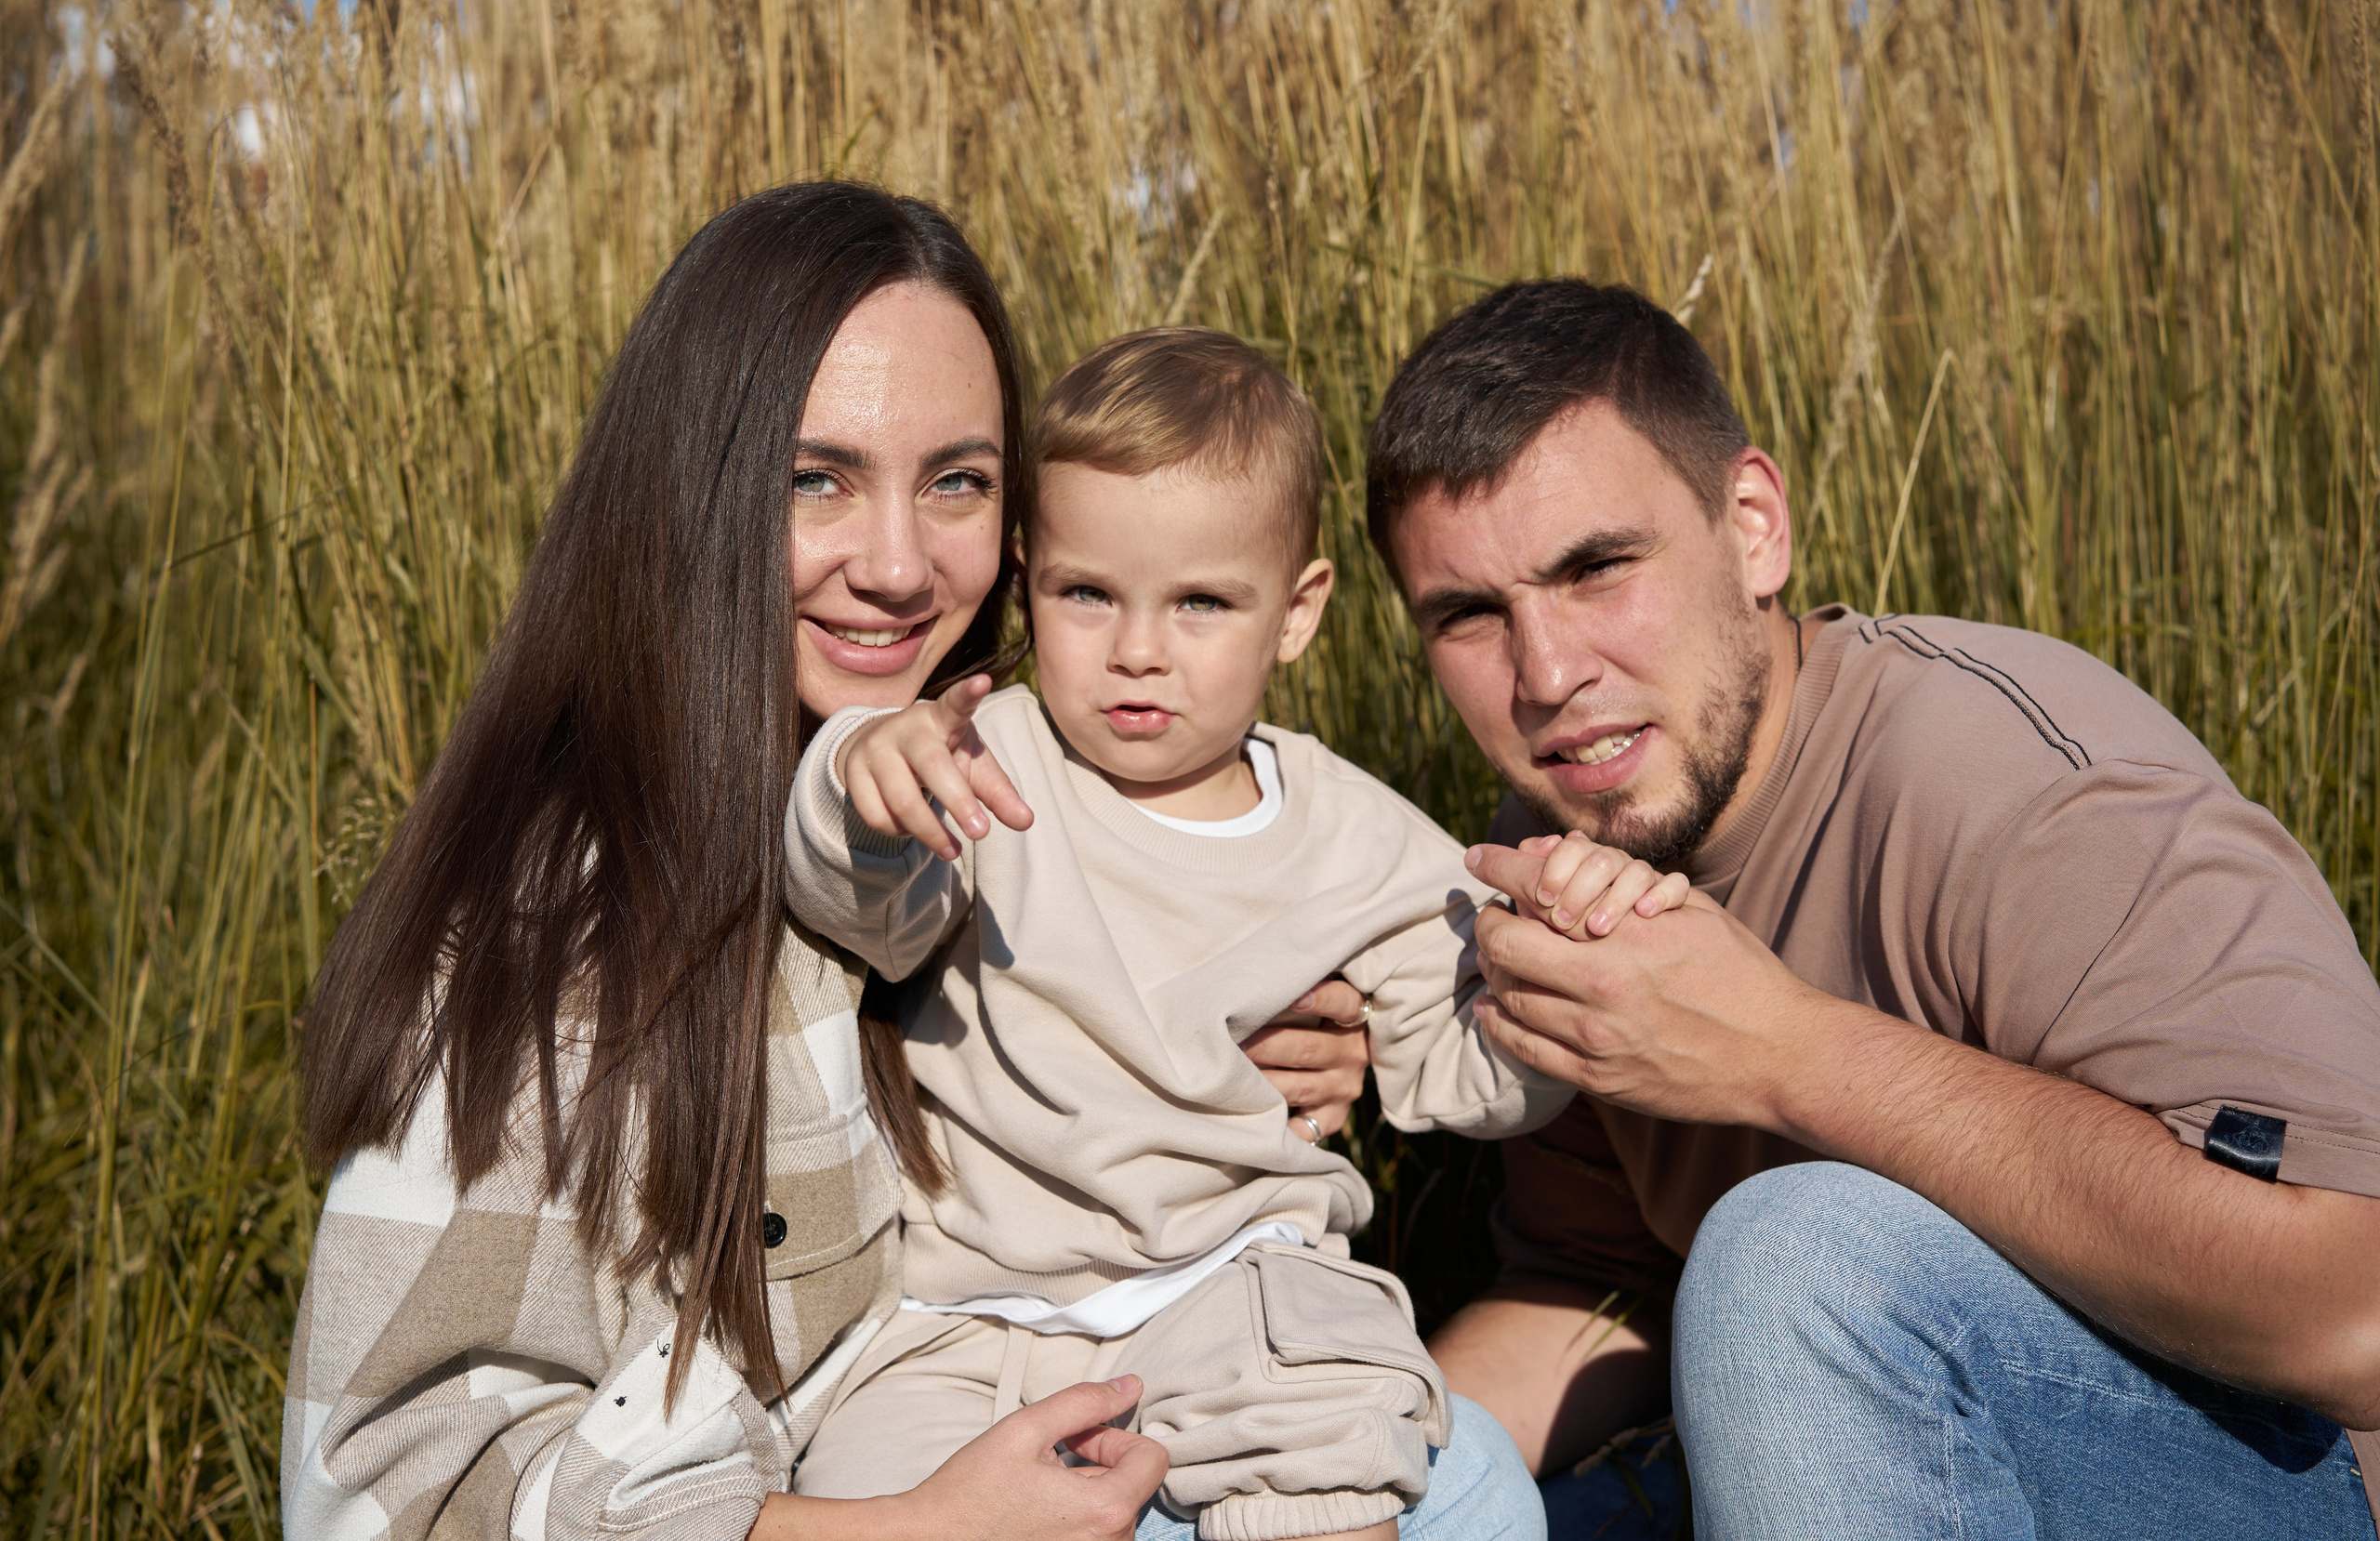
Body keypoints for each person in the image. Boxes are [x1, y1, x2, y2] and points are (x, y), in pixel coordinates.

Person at [279, 184, 1518, 1541]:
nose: (895, 564)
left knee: (1471, 1480)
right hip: (910, 1488)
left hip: (1109, 1388)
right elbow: (382, 1492)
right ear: (688, 489)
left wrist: (1273, 1029)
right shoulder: (560, 919)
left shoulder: (1011, 768)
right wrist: (914, 1528)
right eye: (815, 478)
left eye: (956, 484)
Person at [1355, 279, 2380, 1535]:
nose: (1550, 675)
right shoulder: (1548, 857)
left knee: (1793, 1258)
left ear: (1752, 528)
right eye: (1469, 616)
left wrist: (1789, 1055)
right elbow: (1600, 1291)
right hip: (1852, 1448)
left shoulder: (2013, 789)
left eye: (1599, 569)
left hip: (2276, 1476)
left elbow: (2354, 1315)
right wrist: (1326, 1455)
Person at [782, 328, 1673, 1540]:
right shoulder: (988, 762)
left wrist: (1553, 977)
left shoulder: (1363, 838)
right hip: (960, 1310)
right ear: (1032, 578)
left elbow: (1458, 1076)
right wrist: (864, 772)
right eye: (1088, 595)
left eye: (1202, 602)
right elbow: (859, 905)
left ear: (1296, 613)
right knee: (867, 1488)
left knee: (1334, 1426)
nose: (1139, 649)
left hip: (1236, 1276)